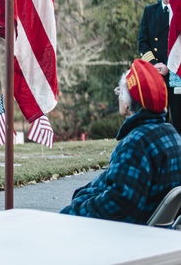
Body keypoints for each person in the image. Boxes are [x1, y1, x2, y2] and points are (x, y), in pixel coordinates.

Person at [60, 59, 181, 223]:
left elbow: (120, 205)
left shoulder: (136, 144)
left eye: (120, 92)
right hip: (159, 232)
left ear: (126, 102)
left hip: (131, 236)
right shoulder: (172, 134)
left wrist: (74, 209)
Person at [138, 0, 181, 134]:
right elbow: (142, 43)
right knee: (159, 119)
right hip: (157, 74)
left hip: (177, 71)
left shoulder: (179, 11)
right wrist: (156, 64)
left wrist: (170, 67)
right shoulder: (150, 11)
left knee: (178, 118)